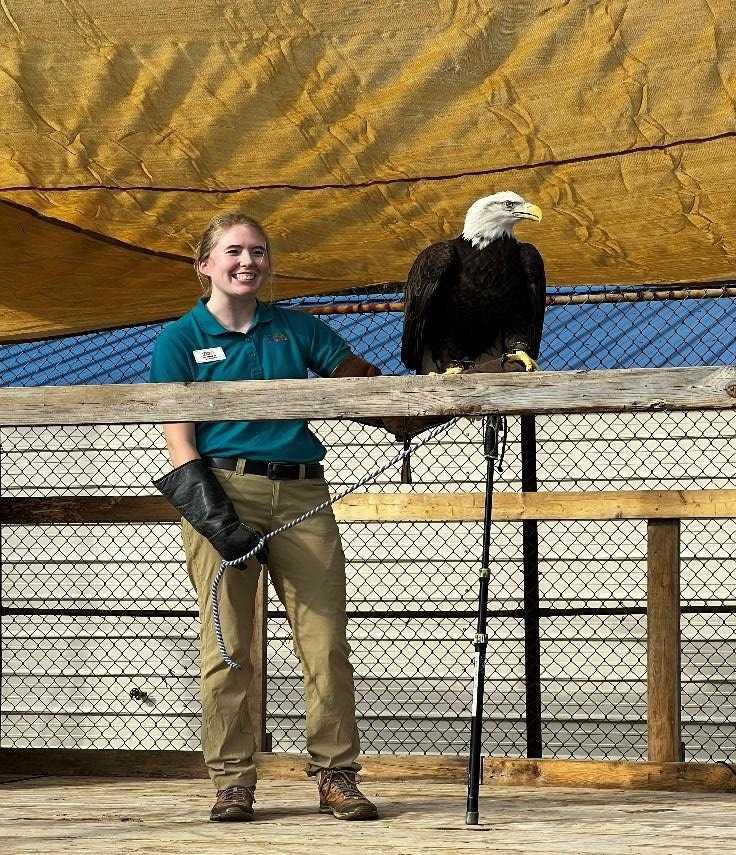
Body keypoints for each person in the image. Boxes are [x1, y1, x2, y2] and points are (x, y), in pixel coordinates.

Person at [149, 212, 394, 822]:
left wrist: (421, 402)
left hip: (303, 494)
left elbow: (358, 384)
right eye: (233, 251)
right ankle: (232, 781)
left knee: (324, 639)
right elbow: (180, 442)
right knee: (228, 644)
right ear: (204, 264)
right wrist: (216, 521)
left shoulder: (296, 330)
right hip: (221, 491)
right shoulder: (179, 340)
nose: (247, 262)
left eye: (258, 252)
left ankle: (336, 773)